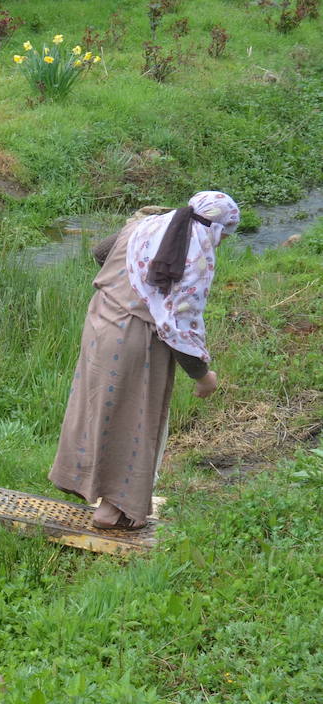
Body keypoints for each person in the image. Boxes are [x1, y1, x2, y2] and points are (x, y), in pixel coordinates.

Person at [50, 190, 240, 529]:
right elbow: (180, 328)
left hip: (99, 321)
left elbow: (100, 252)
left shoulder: (147, 226)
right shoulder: (194, 258)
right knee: (132, 421)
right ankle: (114, 509)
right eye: (224, 236)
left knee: (95, 407)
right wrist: (202, 376)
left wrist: (132, 275)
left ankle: (81, 480)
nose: (221, 243)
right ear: (216, 230)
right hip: (137, 339)